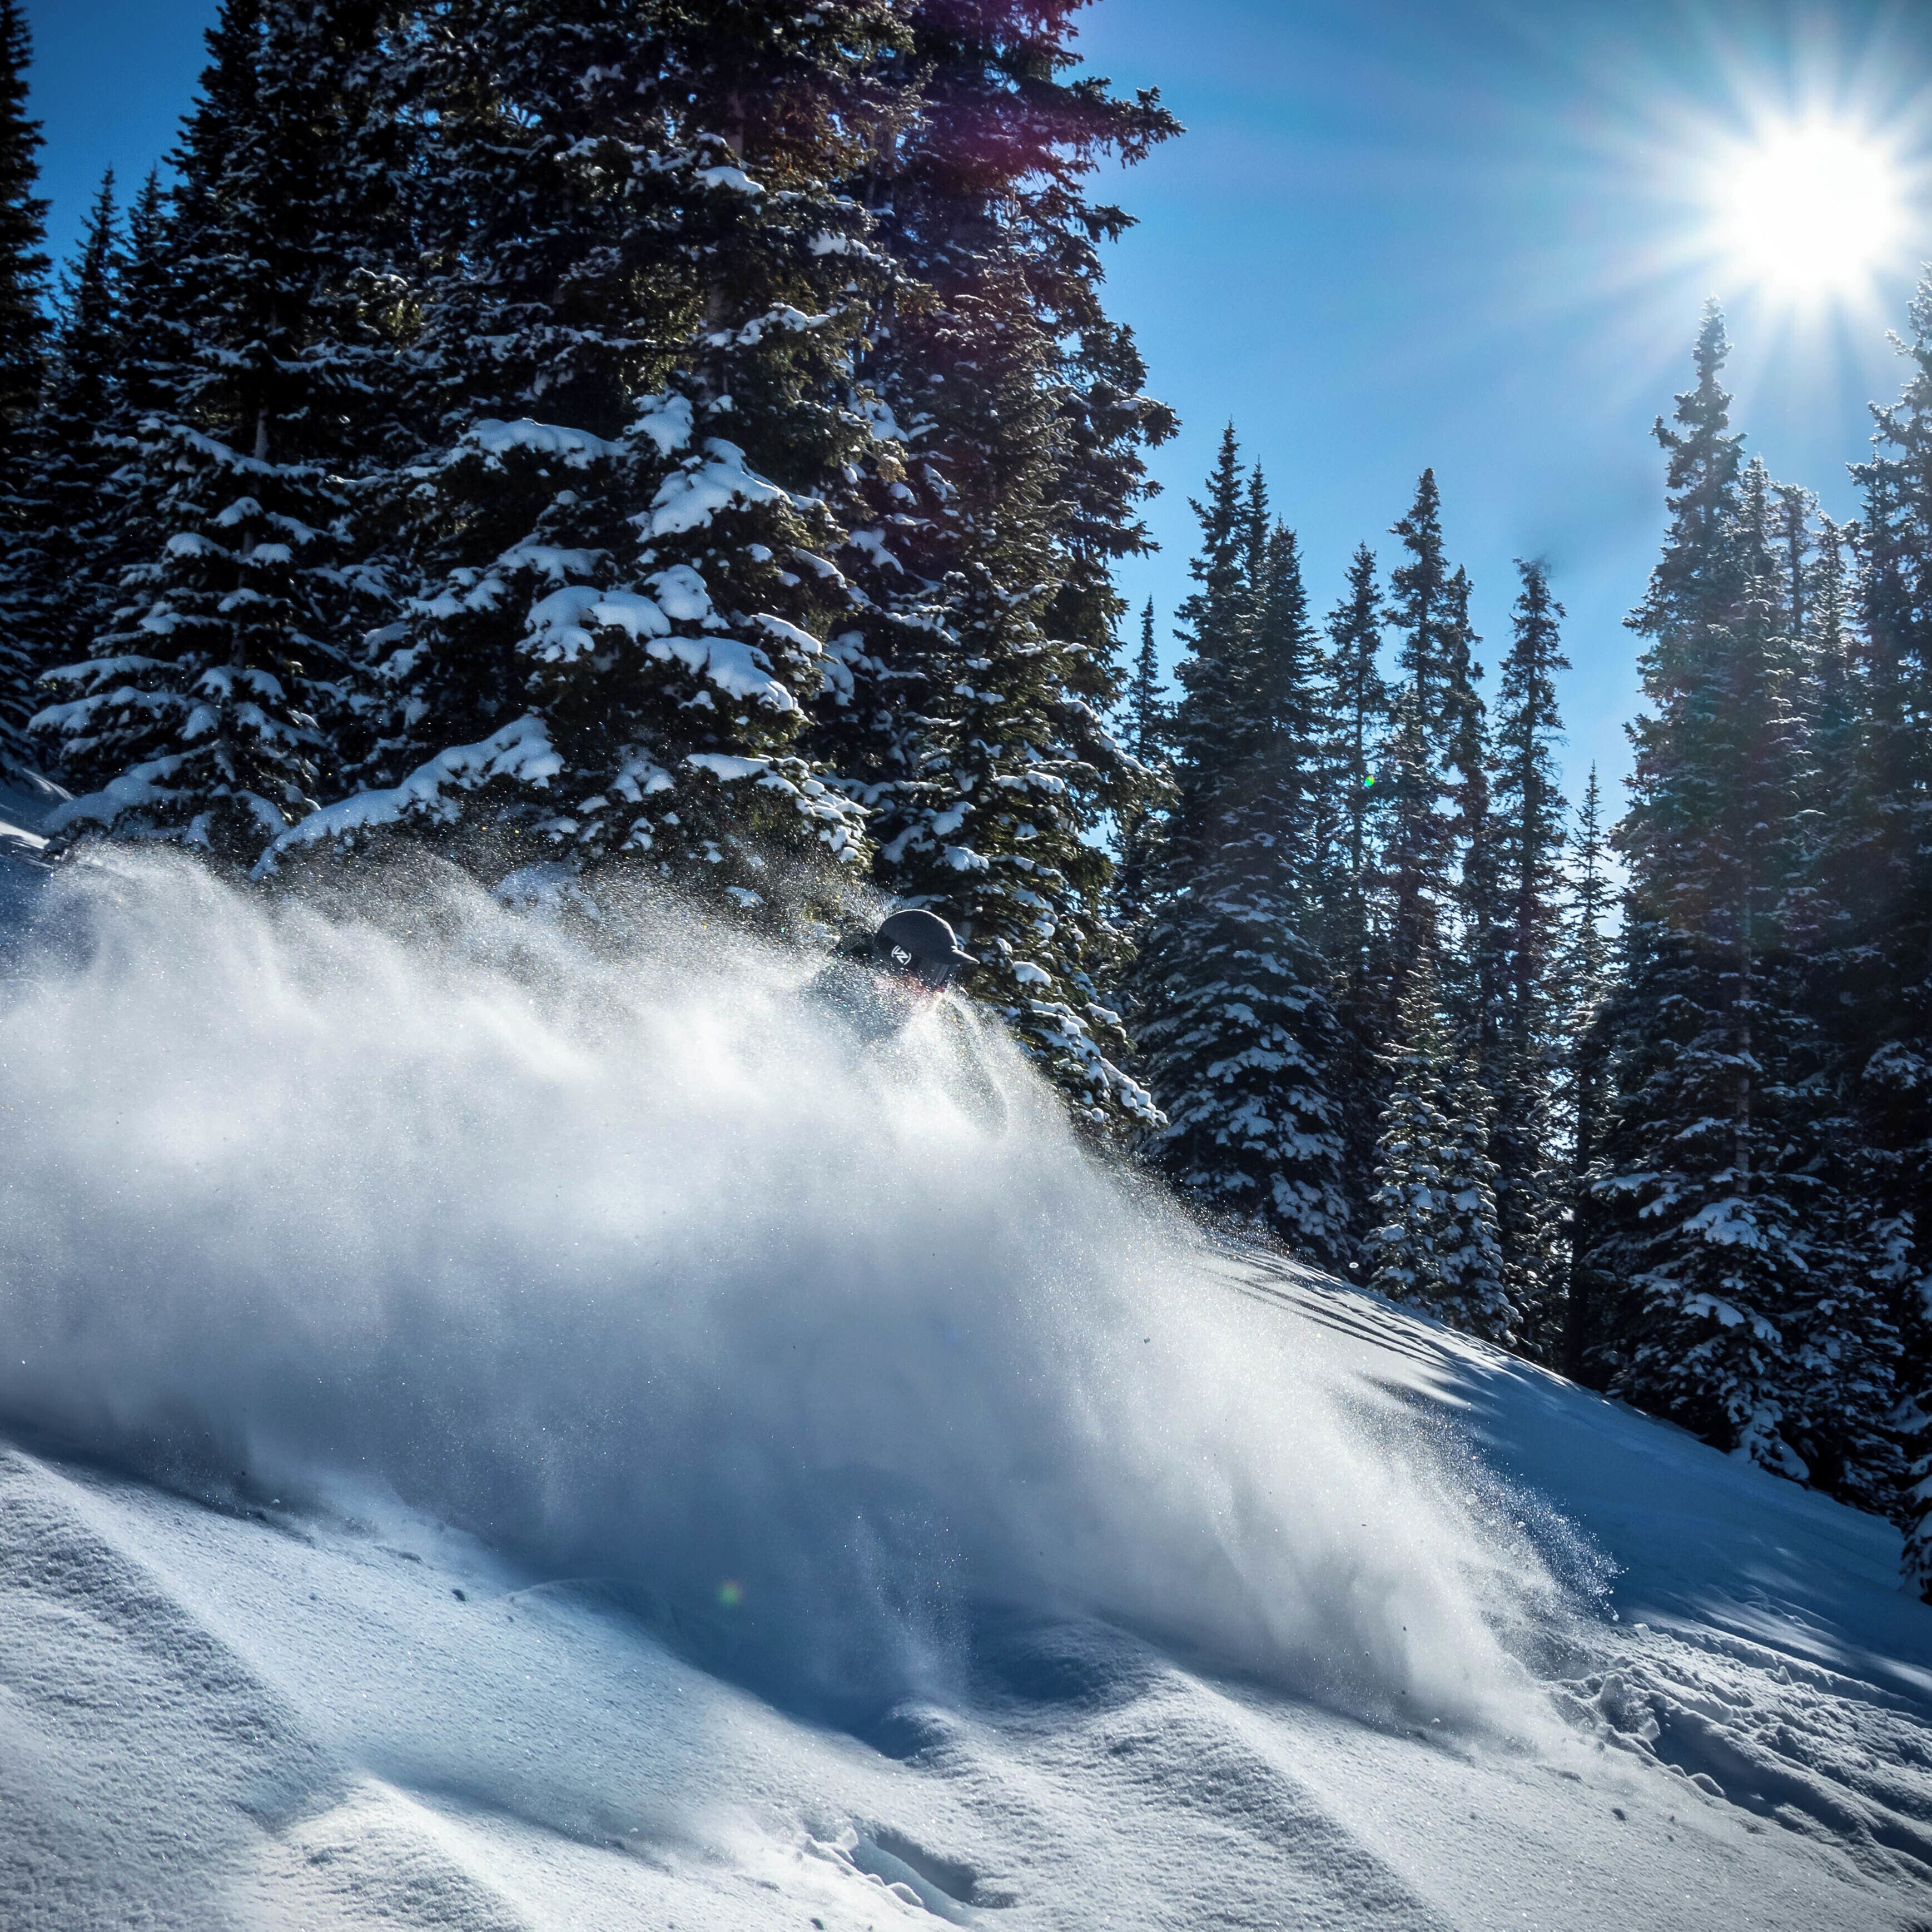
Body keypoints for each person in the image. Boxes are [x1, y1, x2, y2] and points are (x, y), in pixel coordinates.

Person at [805, 908, 1007, 1126]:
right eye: (932, 972)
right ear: (897, 963)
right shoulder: (834, 998)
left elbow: (988, 1108)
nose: (939, 989)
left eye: (946, 973)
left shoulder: (948, 1019)